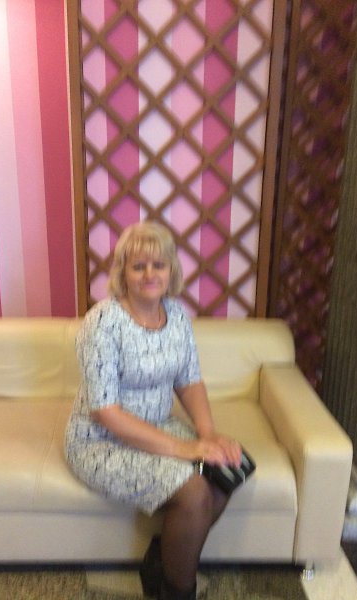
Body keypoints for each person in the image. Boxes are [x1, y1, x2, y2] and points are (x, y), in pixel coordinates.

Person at [65, 221, 241, 600]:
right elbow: (106, 412)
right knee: (194, 492)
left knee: (226, 470)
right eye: (138, 266)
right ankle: (179, 591)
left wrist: (208, 435)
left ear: (171, 270)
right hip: (101, 441)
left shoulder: (176, 316)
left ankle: (162, 561)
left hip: (158, 426)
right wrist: (186, 449)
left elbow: (189, 381)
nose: (149, 274)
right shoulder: (102, 323)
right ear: (122, 273)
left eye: (158, 265)